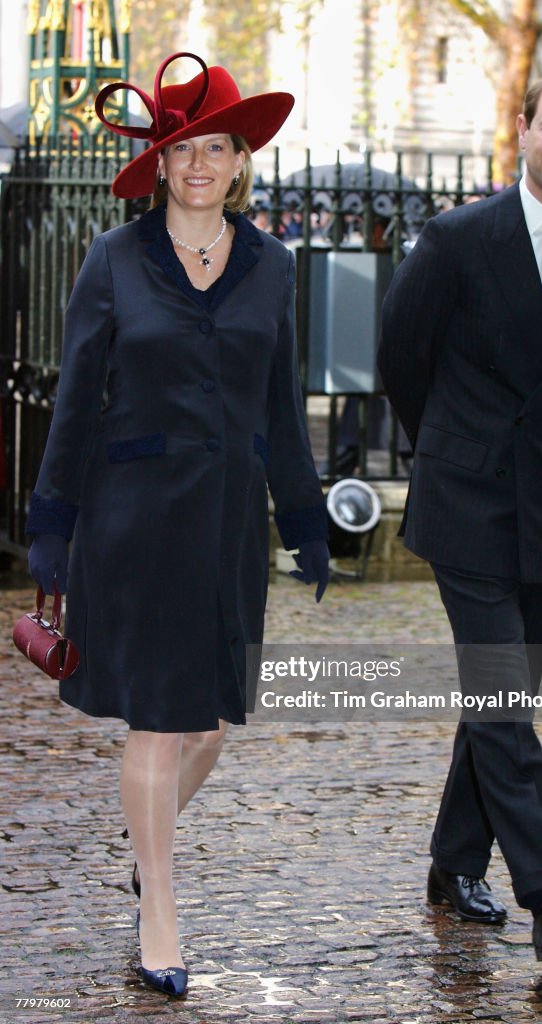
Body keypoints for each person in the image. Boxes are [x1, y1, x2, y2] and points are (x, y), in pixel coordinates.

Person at [25, 51, 329, 997]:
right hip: (132, 522)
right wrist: (51, 528)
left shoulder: (275, 266)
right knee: (158, 725)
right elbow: (74, 402)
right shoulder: (114, 260)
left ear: (242, 161)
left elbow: (281, 403)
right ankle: (160, 907)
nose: (200, 163)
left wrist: (306, 517)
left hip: (231, 522)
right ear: (158, 162)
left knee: (208, 728)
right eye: (183, 147)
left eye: (218, 147)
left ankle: (144, 845)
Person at [378, 73, 542, 961]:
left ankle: (454, 862)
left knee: (503, 695)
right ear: (521, 131)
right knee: (503, 698)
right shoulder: (459, 238)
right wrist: (454, 445)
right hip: (469, 502)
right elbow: (401, 354)